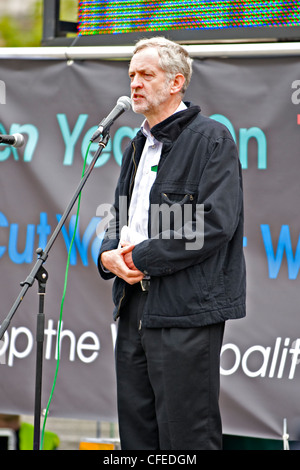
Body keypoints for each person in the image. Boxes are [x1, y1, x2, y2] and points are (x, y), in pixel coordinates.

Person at [98, 36, 246, 450]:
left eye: (147, 74)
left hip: (186, 311)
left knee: (187, 436)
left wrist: (141, 257)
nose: (135, 83)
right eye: (131, 75)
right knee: (137, 436)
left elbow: (215, 223)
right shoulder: (135, 145)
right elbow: (119, 214)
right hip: (132, 307)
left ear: (176, 82)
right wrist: (108, 254)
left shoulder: (212, 139)